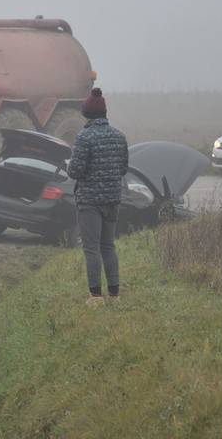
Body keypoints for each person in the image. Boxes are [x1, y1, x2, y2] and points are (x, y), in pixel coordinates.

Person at [67, 88, 128, 307]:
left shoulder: (84, 137)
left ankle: (95, 296)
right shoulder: (119, 137)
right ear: (104, 113)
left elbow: (74, 171)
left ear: (86, 114)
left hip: (90, 201)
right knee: (108, 246)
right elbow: (123, 168)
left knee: (91, 248)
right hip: (112, 199)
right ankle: (115, 295)